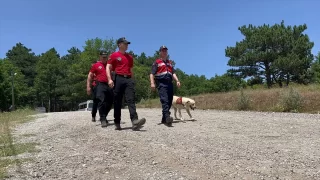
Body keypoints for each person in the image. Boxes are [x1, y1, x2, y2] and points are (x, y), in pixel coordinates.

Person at [106, 37, 146, 131]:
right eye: (125, 43)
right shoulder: (114, 55)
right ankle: (117, 122)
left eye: (127, 44)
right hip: (118, 78)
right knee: (118, 101)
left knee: (131, 100)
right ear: (119, 44)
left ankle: (135, 121)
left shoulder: (130, 57)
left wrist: (132, 80)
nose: (127, 45)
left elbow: (131, 70)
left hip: (128, 79)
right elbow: (108, 67)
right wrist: (109, 80)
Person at [150, 45, 181, 126]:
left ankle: (164, 119)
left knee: (170, 101)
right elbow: (152, 73)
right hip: (161, 83)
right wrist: (152, 83)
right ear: (160, 52)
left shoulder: (169, 63)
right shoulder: (156, 62)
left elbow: (173, 73)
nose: (164, 52)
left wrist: (177, 80)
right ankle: (168, 118)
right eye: (163, 51)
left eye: (165, 51)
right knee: (165, 101)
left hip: (170, 83)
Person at [87, 51, 114, 127]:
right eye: (103, 56)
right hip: (100, 84)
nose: (104, 58)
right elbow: (90, 76)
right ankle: (102, 119)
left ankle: (104, 116)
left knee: (110, 102)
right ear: (100, 57)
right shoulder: (96, 65)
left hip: (109, 85)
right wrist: (88, 86)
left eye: (106, 56)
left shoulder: (110, 66)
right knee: (101, 101)